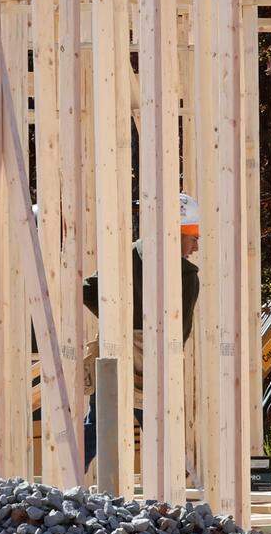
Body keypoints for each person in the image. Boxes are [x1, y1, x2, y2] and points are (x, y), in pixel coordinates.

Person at [81, 192, 202, 473]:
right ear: (178, 233)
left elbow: (88, 290)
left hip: (115, 352)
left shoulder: (128, 256)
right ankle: (172, 482)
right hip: (151, 361)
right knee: (159, 423)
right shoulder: (186, 277)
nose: (195, 247)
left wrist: (117, 322)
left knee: (99, 423)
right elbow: (179, 334)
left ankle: (67, 475)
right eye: (193, 237)